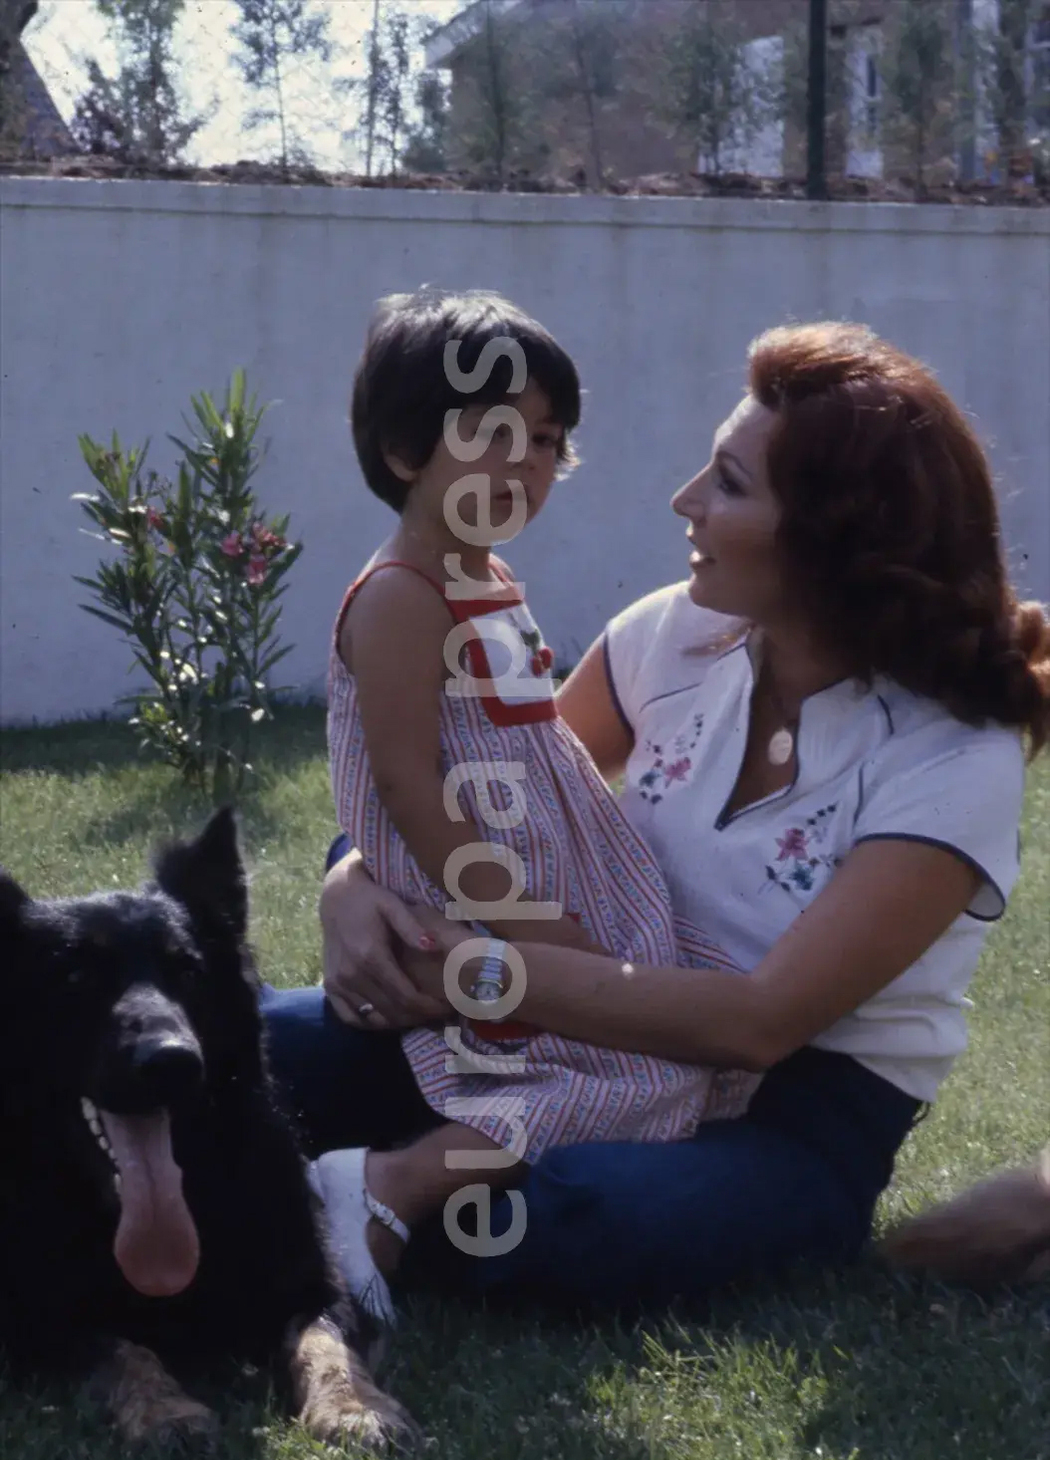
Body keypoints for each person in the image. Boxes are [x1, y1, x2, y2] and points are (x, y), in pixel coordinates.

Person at [264, 319, 1050, 1316]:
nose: (684, 501)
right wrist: (352, 876)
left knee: (575, 1217)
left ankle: (376, 1193)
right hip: (562, 1033)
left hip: (786, 1112)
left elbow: (763, 1024)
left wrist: (485, 970)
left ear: (834, 532)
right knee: (257, 1046)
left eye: (727, 482)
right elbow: (498, 787)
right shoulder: (676, 636)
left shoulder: (951, 758)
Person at [313, 289, 754, 1322]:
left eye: (548, 441)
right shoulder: (399, 597)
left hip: (549, 884)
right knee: (633, 1079)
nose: (526, 466)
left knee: (664, 1048)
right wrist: (518, 917)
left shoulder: (487, 579)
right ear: (406, 450)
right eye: (492, 436)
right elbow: (407, 786)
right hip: (479, 905)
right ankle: (371, 1189)